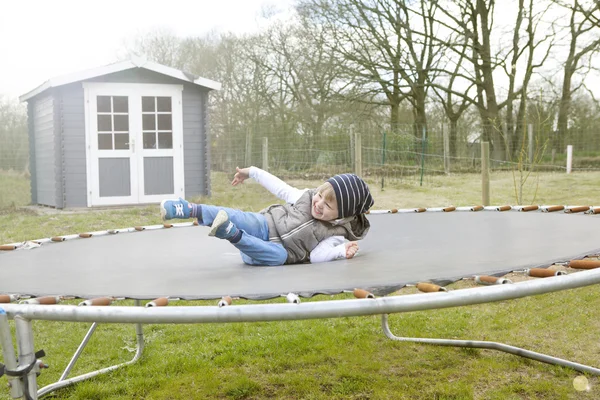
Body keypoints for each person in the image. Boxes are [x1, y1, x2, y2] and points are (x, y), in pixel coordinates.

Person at [160, 166, 374, 266]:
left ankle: (231, 234)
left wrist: (340, 250)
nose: (318, 203)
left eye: (327, 205)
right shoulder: (305, 197)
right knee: (239, 216)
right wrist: (252, 172)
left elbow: (318, 257)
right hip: (265, 225)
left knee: (279, 257)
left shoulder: (335, 234)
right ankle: (188, 209)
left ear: (341, 216)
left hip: (265, 253)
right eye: (319, 195)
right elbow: (279, 187)